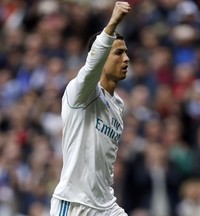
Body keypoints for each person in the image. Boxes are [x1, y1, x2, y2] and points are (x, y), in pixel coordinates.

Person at [50, 2, 131, 215]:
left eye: (126, 53)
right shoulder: (80, 93)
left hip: (105, 205)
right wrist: (112, 24)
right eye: (118, 53)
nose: (126, 59)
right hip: (74, 203)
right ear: (102, 57)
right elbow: (91, 66)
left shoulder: (118, 106)